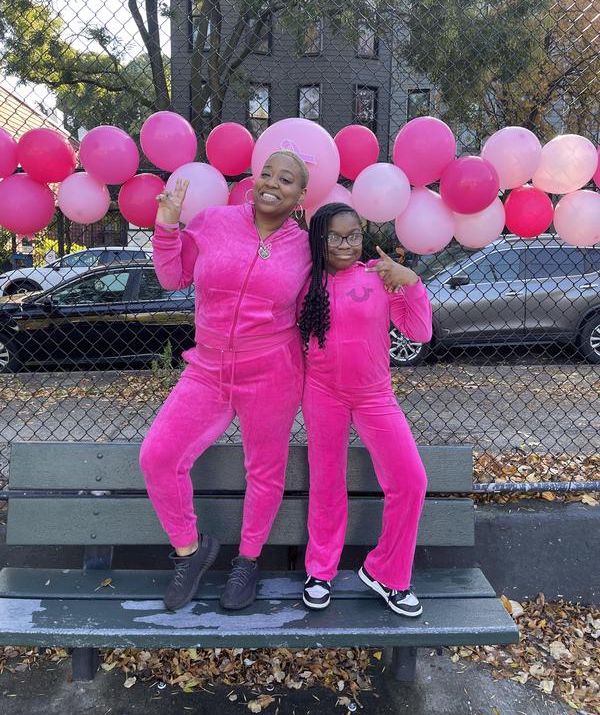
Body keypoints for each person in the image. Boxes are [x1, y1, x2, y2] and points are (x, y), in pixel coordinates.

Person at [139, 151, 311, 612]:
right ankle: (190, 553)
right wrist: (168, 225)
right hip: (208, 367)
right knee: (159, 455)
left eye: (287, 179)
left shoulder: (306, 248)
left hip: (272, 370)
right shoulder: (214, 222)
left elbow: (322, 307)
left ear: (301, 196)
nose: (273, 183)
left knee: (264, 470)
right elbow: (172, 276)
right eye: (268, 173)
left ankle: (248, 561)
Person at [297, 202, 432, 616]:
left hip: (376, 395)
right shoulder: (305, 282)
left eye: (353, 235)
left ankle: (387, 573)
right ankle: (320, 570)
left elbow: (419, 331)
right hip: (322, 393)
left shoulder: (379, 275)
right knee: (327, 483)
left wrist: (411, 282)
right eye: (335, 236)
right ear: (319, 239)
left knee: (411, 481)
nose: (346, 244)